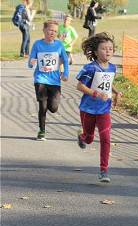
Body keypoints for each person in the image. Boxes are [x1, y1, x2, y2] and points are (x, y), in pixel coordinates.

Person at [76, 32, 122, 183]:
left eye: (110, 48)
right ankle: (82, 136)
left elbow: (108, 83)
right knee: (89, 139)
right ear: (96, 52)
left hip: (104, 110)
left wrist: (116, 92)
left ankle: (104, 170)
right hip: (88, 109)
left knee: (106, 138)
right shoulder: (90, 68)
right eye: (104, 48)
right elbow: (80, 86)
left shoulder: (113, 68)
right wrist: (95, 93)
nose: (108, 51)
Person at [28, 20, 69, 141]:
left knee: (53, 108)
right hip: (40, 79)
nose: (53, 33)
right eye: (51, 30)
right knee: (43, 106)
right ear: (44, 30)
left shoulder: (59, 45)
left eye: (55, 31)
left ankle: (50, 112)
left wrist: (65, 73)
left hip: (55, 81)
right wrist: (32, 62)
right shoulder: (37, 44)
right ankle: (42, 131)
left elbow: (65, 60)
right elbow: (30, 62)